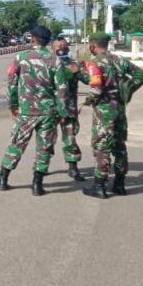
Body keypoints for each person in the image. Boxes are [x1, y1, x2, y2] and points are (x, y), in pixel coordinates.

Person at [0, 25, 67, 196]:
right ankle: (37, 184)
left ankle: (3, 179)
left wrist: (12, 106)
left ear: (32, 38)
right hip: (48, 112)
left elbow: (11, 85)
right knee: (44, 148)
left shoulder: (20, 58)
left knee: (17, 144)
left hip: (26, 112)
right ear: (47, 41)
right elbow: (62, 90)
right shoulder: (55, 60)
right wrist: (62, 113)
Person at [80, 31, 143, 198]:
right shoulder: (118, 60)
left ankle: (99, 185)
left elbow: (96, 89)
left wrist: (88, 101)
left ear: (92, 45)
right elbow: (141, 75)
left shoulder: (94, 63)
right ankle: (119, 184)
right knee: (119, 147)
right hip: (119, 109)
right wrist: (127, 89)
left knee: (102, 147)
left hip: (104, 111)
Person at [53, 35, 85, 181]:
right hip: (50, 108)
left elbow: (88, 79)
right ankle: (41, 167)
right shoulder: (47, 63)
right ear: (52, 48)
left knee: (70, 139)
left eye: (64, 46)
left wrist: (79, 70)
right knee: (45, 139)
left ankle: (73, 167)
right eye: (58, 47)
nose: (61, 49)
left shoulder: (74, 64)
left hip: (69, 108)